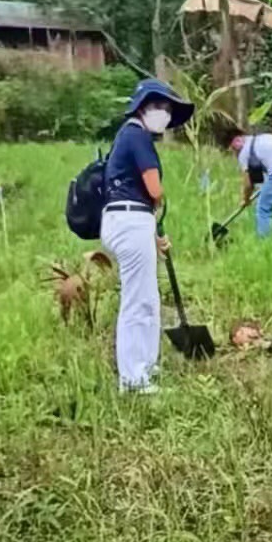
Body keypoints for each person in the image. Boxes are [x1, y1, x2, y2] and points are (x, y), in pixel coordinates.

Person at [101, 78, 194, 394]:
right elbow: (154, 190)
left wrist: (152, 235)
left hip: (128, 219)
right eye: (159, 107)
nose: (164, 114)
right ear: (142, 108)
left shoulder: (126, 136)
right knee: (137, 301)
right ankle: (133, 378)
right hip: (130, 220)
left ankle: (146, 368)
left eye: (168, 109)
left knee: (148, 300)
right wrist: (159, 203)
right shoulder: (137, 136)